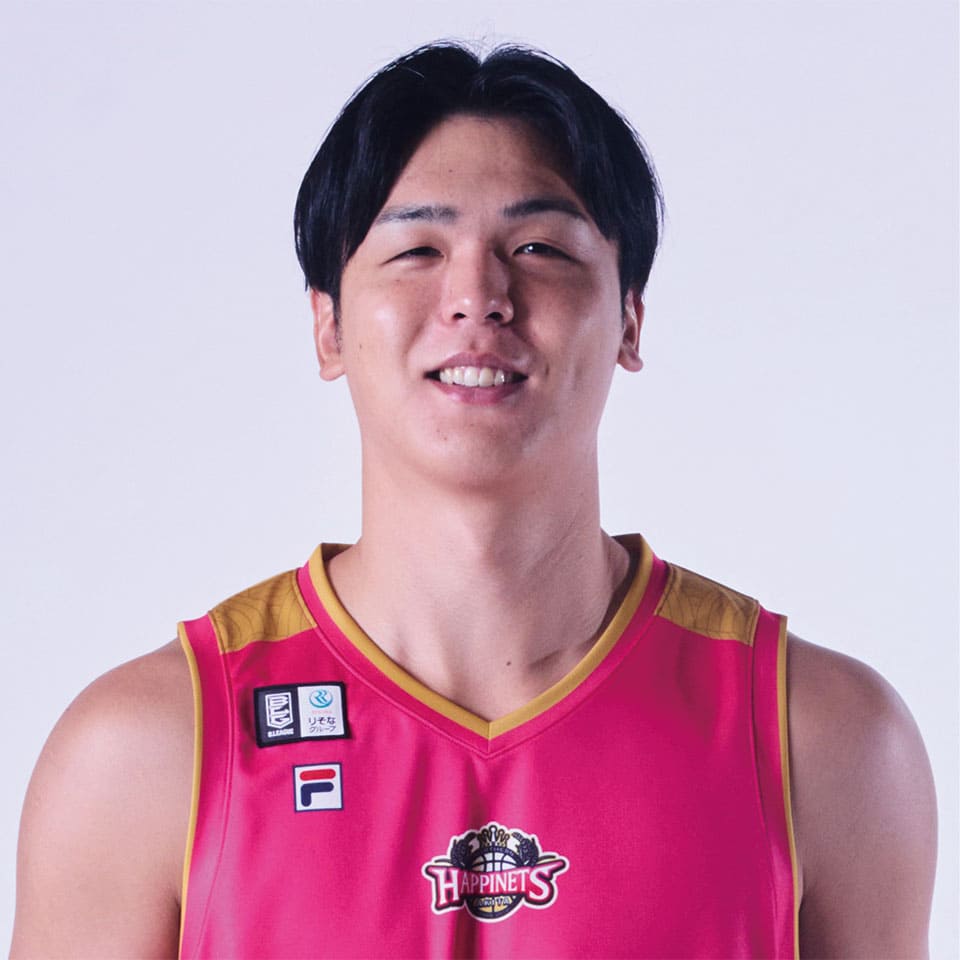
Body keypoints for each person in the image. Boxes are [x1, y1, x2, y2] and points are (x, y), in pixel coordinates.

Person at [12, 41, 936, 959]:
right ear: (328, 326)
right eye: (417, 249)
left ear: (630, 317)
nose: (478, 296)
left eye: (538, 248)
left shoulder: (825, 744)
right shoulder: (147, 757)